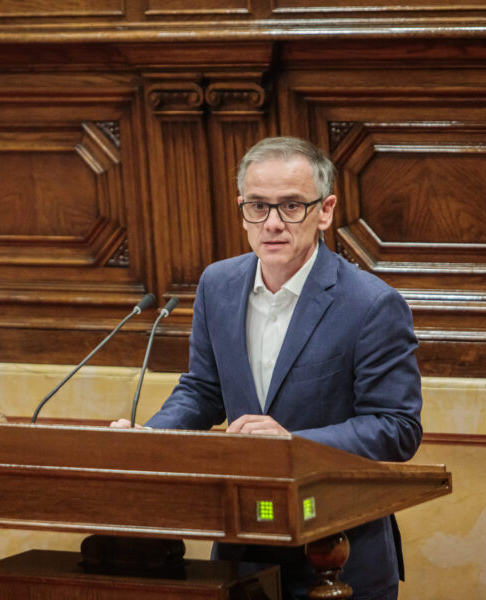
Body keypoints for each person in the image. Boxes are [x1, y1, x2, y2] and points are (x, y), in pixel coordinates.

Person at [112, 136, 423, 600]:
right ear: (241, 208)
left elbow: (397, 428)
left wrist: (291, 444)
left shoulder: (372, 304)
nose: (272, 223)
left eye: (292, 206)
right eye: (258, 206)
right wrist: (152, 440)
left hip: (337, 555)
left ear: (325, 210)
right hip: (243, 548)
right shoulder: (217, 284)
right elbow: (202, 391)